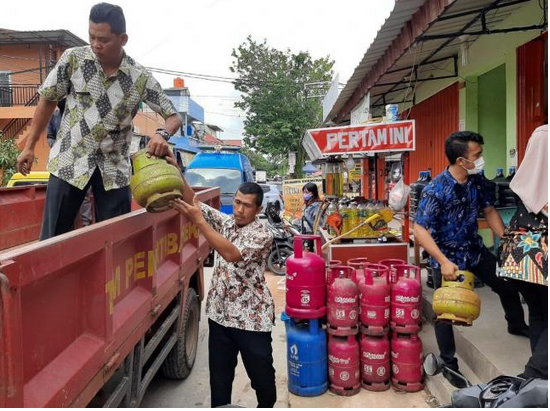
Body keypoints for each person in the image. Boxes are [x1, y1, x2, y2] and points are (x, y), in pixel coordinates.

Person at [16, 2, 182, 240]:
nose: (96, 45)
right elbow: (48, 99)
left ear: (123, 39)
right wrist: (30, 146)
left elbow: (173, 116)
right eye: (92, 37)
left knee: (116, 242)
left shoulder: (139, 77)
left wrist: (161, 134)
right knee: (52, 241)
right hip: (69, 162)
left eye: (103, 39)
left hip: (113, 169)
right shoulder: (74, 60)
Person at [414, 131, 528, 388]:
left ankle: (516, 324)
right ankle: (448, 364)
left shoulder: (477, 181)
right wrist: (442, 261)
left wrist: (507, 241)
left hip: (474, 251)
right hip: (448, 257)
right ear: (460, 160)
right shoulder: (436, 190)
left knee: (507, 284)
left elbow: (489, 210)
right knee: (446, 311)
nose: (481, 159)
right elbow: (419, 230)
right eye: (477, 156)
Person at [168, 162, 276, 408]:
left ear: (258, 209)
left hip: (251, 321)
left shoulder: (262, 234)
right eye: (237, 202)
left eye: (246, 206)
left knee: (263, 382)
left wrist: (200, 223)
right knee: (219, 381)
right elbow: (194, 202)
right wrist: (174, 167)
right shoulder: (227, 223)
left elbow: (231, 254)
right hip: (220, 318)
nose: (239, 210)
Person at [500, 125, 548, 379]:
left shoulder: (524, 185)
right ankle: (534, 375)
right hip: (543, 257)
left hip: (518, 258)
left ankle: (538, 382)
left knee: (539, 312)